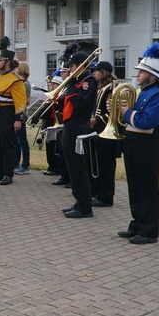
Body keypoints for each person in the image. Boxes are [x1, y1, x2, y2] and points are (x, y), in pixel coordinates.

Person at [117, 43, 159, 245]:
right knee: (135, 187)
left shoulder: (157, 94)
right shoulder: (144, 91)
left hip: (146, 145)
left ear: (153, 76)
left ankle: (148, 231)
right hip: (134, 143)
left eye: (142, 72)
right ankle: (137, 224)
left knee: (146, 188)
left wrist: (126, 113)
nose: (137, 75)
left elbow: (148, 121)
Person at [57, 51, 98, 218]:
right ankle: (79, 201)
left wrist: (67, 94)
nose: (71, 70)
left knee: (78, 166)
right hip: (70, 124)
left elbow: (81, 102)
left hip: (79, 125)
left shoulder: (89, 80)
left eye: (73, 66)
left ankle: (85, 206)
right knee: (72, 166)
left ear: (80, 65)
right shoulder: (77, 81)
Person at [0, 37, 26, 186]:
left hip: (7, 113)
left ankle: (8, 174)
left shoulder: (15, 79)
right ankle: (0, 172)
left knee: (7, 144)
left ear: (7, 62)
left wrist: (17, 119)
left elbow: (20, 102)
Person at [89, 61, 117, 208]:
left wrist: (96, 120)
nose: (94, 73)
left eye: (97, 70)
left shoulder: (111, 88)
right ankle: (98, 191)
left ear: (104, 72)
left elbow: (111, 112)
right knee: (99, 163)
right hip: (98, 130)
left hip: (106, 130)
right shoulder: (101, 87)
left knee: (106, 165)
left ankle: (106, 196)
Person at [14, 61, 32, 175]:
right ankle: (16, 163)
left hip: (21, 114)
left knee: (22, 141)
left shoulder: (24, 83)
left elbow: (27, 100)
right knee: (17, 141)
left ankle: (25, 165)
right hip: (17, 113)